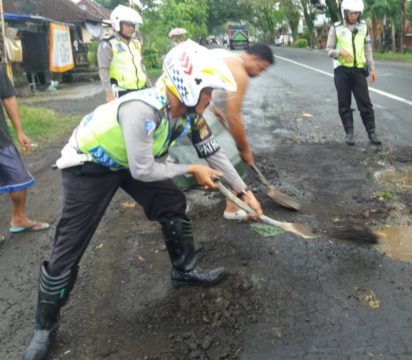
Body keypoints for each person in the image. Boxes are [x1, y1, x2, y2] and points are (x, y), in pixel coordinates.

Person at [22, 40, 263, 360]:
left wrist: (244, 192)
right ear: (189, 87)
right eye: (207, 91)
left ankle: (185, 271)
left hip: (135, 161)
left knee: (171, 203)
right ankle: (44, 327)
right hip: (91, 165)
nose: (210, 98)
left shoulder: (190, 115)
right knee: (70, 243)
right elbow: (143, 168)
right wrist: (191, 169)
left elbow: (212, 153)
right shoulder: (144, 108)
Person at [208, 44, 274, 221]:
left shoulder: (227, 58)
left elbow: (209, 88)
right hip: (179, 111)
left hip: (174, 104)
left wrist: (213, 109)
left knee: (218, 145)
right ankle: (233, 208)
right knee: (230, 156)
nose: (259, 74)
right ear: (253, 58)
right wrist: (244, 150)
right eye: (260, 68)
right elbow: (234, 117)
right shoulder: (240, 73)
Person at [0, 68, 50, 239]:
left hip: (1, 139)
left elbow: (8, 96)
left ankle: (19, 218)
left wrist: (20, 131)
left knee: (20, 180)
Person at [326, 0, 381, 146]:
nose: (354, 16)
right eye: (351, 13)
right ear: (345, 12)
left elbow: (368, 49)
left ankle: (372, 133)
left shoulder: (364, 27)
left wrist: (372, 68)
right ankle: (349, 134)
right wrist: (339, 52)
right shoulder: (336, 28)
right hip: (342, 71)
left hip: (358, 71)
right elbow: (328, 50)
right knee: (344, 103)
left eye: (356, 13)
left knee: (365, 102)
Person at [98, 5, 150, 103]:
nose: (132, 28)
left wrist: (150, 87)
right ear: (118, 24)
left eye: (133, 25)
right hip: (122, 93)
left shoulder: (136, 43)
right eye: (128, 25)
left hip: (141, 91)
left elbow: (141, 67)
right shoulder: (108, 44)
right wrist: (109, 94)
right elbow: (103, 70)